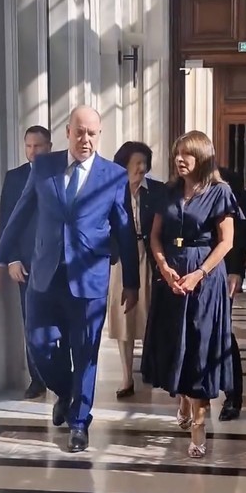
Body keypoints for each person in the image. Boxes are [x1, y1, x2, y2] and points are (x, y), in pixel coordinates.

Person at [0, 106, 140, 452]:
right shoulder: (45, 167)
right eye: (79, 132)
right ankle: (67, 390)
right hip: (45, 275)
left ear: (99, 135)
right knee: (39, 345)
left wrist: (131, 281)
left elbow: (124, 229)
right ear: (68, 133)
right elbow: (20, 213)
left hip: (89, 278)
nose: (85, 139)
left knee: (86, 351)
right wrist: (1, 257)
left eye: (92, 133)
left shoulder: (114, 176)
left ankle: (79, 423)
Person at [141, 131, 236, 459]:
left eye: (187, 154)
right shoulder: (166, 192)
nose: (179, 159)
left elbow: (226, 241)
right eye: (177, 153)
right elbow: (154, 236)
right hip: (171, 276)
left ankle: (199, 423)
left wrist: (199, 274)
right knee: (174, 342)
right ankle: (182, 397)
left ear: (203, 157)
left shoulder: (220, 192)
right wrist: (164, 267)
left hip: (205, 278)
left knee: (198, 347)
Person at [0, 125, 52, 400]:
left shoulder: (62, 173)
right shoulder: (14, 178)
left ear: (49, 147)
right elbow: (7, 220)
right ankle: (37, 378)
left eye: (38, 146)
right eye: (28, 146)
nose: (33, 152)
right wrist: (12, 259)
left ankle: (61, 375)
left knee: (60, 321)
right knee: (31, 320)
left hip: (57, 263)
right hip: (27, 263)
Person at [108, 142, 164, 399]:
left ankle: (151, 368)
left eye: (144, 163)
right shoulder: (112, 191)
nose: (141, 168)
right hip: (122, 260)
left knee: (151, 313)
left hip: (150, 256)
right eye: (136, 162)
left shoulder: (158, 191)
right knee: (125, 319)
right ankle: (126, 376)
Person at [216, 165, 246, 422]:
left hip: (221, 271)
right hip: (190, 270)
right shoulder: (180, 185)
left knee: (223, 332)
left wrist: (236, 270)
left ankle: (233, 395)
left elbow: (240, 232)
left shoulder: (228, 182)